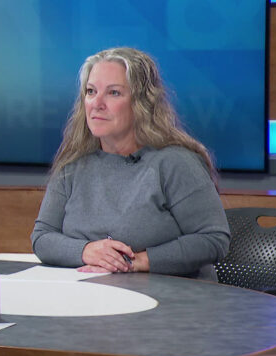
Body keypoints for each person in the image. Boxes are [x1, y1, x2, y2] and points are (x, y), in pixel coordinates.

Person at [30, 47, 230, 280]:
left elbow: (214, 239)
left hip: (173, 303)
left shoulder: (175, 163)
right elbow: (42, 237)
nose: (97, 103)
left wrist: (139, 261)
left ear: (141, 103)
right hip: (91, 298)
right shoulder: (73, 166)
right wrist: (86, 251)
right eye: (91, 91)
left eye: (113, 93)